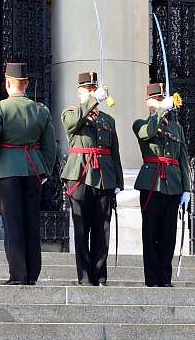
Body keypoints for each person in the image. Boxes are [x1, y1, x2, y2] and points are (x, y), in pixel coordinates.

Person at [0, 62, 56, 285]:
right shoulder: (41, 110)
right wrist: (45, 170)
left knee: (13, 224)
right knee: (31, 222)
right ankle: (32, 274)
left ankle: (18, 275)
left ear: (7, 83)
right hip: (33, 169)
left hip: (8, 171)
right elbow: (49, 145)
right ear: (26, 84)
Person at [61, 72, 124, 286]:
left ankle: (100, 275)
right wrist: (93, 100)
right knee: (81, 229)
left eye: (93, 90)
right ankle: (85, 276)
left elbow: (114, 152)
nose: (91, 94)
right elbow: (71, 124)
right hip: (79, 175)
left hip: (104, 177)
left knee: (102, 229)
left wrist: (119, 182)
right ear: (80, 93)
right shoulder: (71, 112)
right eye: (87, 91)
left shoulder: (108, 120)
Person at [132, 83, 191, 287]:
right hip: (151, 184)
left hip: (173, 185)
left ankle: (165, 278)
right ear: (148, 102)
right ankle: (152, 278)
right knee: (150, 233)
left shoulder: (176, 128)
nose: (159, 103)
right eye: (156, 100)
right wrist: (160, 111)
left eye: (162, 100)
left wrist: (187, 188)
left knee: (168, 234)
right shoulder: (140, 123)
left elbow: (182, 158)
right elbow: (147, 134)